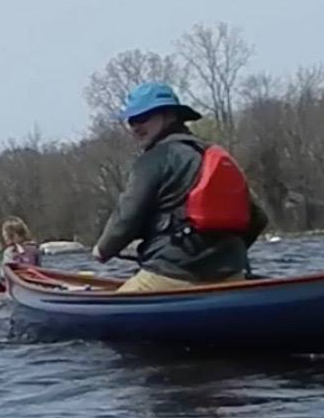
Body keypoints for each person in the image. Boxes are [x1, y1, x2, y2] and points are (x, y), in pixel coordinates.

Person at [93, 82, 268, 292]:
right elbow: (258, 218)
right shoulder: (213, 155)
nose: (136, 127)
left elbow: (127, 216)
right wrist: (225, 255)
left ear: (169, 115)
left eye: (142, 118)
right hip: (231, 276)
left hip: (172, 273)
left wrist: (102, 250)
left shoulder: (155, 158)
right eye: (131, 121)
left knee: (110, 318)